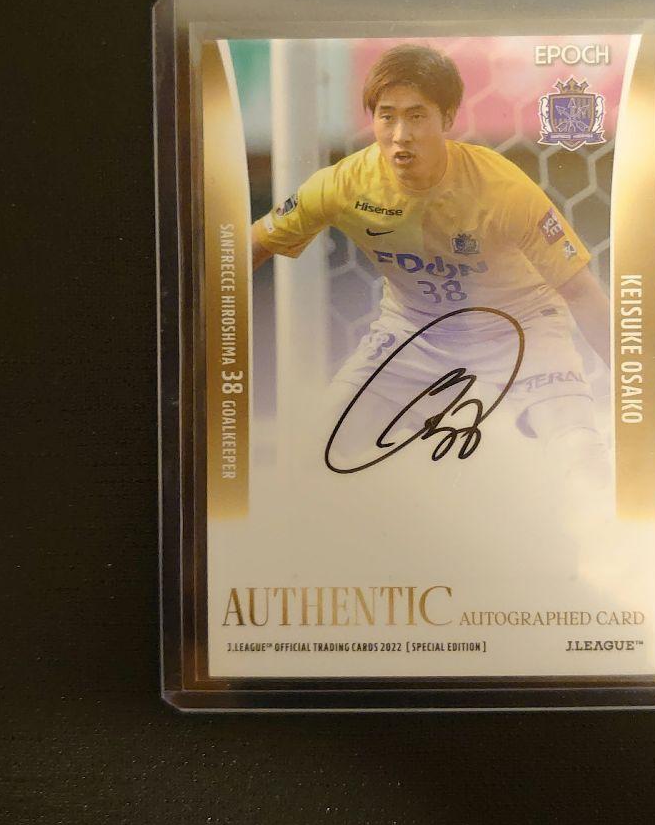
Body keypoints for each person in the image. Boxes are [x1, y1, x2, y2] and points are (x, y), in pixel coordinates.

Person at [251, 44, 611, 503]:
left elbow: (580, 291)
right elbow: (245, 249)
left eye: (417, 116)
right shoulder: (342, 184)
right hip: (413, 333)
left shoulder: (502, 188)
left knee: (581, 459)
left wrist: (638, 385)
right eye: (387, 117)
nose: (401, 135)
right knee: (311, 461)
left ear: (447, 118)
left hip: (522, 330)